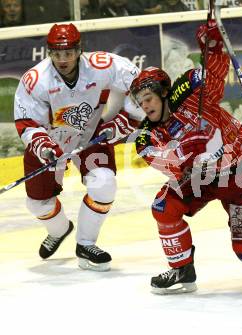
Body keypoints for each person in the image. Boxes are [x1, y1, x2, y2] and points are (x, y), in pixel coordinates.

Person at [130, 20, 242, 294]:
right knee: (164, 207)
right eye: (140, 101)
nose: (145, 105)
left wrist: (211, 46)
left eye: (148, 97)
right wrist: (189, 158)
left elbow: (215, 74)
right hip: (201, 179)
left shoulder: (188, 93)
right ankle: (182, 270)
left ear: (163, 92)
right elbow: (175, 171)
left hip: (240, 173)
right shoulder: (145, 138)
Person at [13, 23, 141, 271]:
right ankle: (59, 229)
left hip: (89, 137)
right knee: (38, 204)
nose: (63, 59)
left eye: (69, 53)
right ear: (49, 52)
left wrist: (126, 119)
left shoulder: (101, 66)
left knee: (104, 184)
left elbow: (140, 83)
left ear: (79, 50)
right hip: (51, 143)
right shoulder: (36, 80)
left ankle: (85, 244)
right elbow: (28, 123)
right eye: (57, 53)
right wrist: (43, 146)